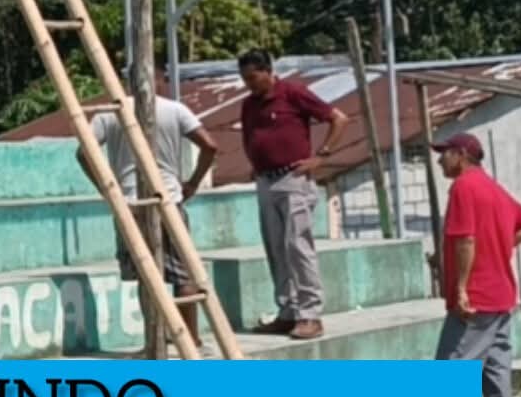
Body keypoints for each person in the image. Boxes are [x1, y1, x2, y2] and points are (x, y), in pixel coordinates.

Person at [75, 84, 220, 351]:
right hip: (169, 200)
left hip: (130, 204)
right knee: (184, 276)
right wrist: (193, 183)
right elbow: (210, 145)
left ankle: (153, 343)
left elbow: (84, 153)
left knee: (146, 276)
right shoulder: (175, 110)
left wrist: (109, 191)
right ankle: (192, 340)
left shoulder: (109, 114)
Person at [432, 132, 521, 397]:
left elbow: (465, 239)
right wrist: (502, 246)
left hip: (476, 298)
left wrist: (461, 287)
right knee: (496, 371)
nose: (440, 159)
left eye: (445, 153)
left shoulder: (464, 187)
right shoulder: (493, 188)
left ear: (461, 154)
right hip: (501, 294)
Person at [236, 49, 348, 340]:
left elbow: (338, 118)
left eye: (253, 77)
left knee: (297, 246)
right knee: (275, 248)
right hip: (266, 180)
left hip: (293, 178)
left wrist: (321, 156)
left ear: (267, 71)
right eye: (245, 79)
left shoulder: (292, 93)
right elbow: (250, 136)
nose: (249, 84)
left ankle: (310, 314)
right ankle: (288, 311)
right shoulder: (249, 104)